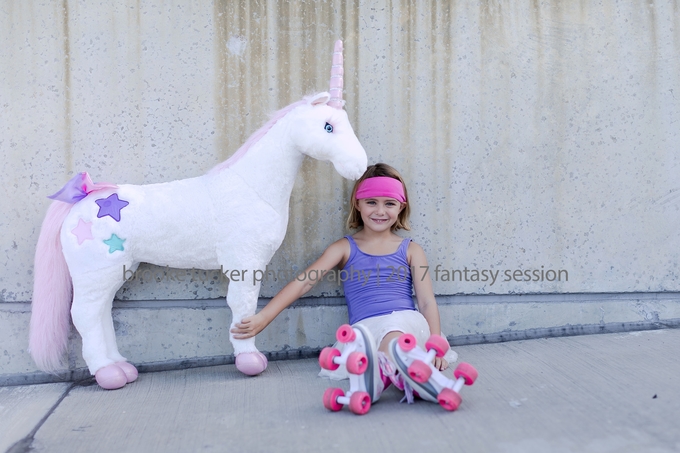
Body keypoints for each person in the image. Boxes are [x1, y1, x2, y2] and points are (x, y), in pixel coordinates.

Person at [231, 163, 457, 403]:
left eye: (389, 203)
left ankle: (394, 374)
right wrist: (264, 317)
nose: (380, 210)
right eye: (371, 202)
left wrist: (437, 345)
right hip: (365, 331)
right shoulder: (344, 248)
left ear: (401, 207)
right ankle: (402, 375)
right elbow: (304, 282)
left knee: (394, 334)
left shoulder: (411, 250)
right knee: (383, 342)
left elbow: (426, 301)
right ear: (357, 204)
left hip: (407, 325)